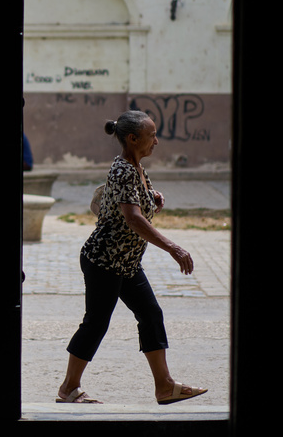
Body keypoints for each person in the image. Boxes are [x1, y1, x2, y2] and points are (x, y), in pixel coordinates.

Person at [56, 110, 207, 406]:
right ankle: (69, 388)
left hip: (125, 262)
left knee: (151, 315)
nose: (157, 141)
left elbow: (133, 203)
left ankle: (164, 387)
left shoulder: (136, 167)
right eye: (151, 136)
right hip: (103, 260)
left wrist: (153, 197)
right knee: (96, 323)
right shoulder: (123, 169)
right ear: (132, 138)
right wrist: (174, 248)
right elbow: (133, 219)